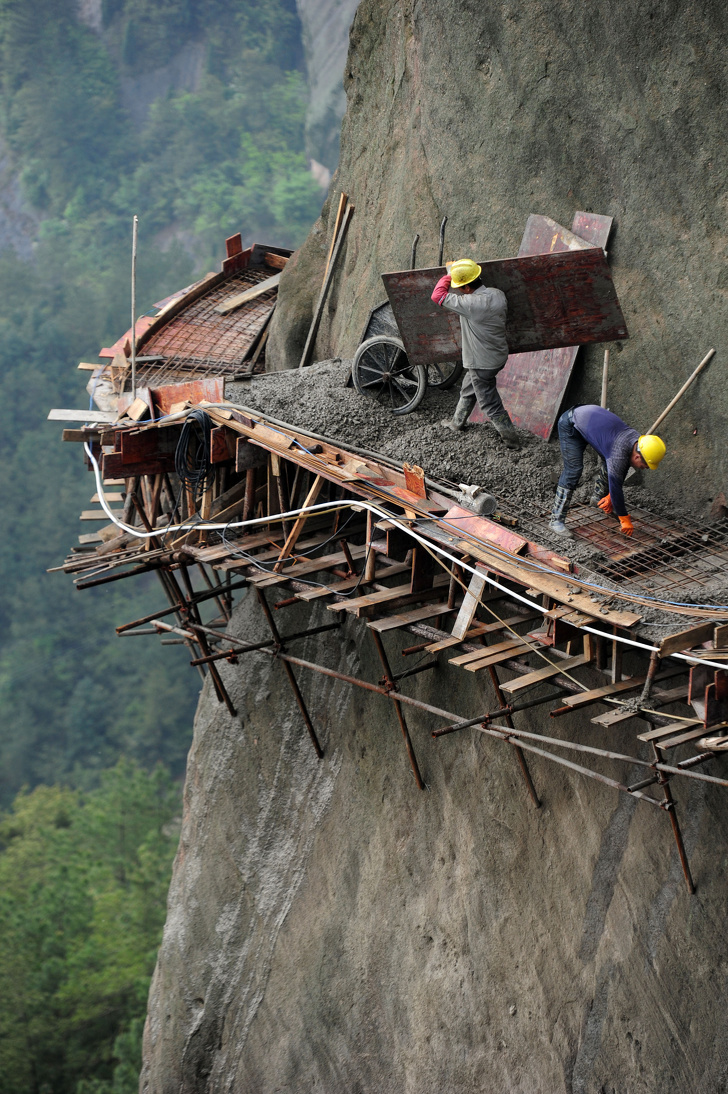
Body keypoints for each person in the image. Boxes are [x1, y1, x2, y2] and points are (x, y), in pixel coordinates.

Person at [431, 258, 520, 448]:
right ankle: (456, 423)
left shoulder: (470, 304)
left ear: (465, 288)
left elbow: (437, 295)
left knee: (490, 403)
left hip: (482, 363)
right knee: (468, 387)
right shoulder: (498, 294)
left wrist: (449, 274)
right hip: (497, 356)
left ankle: (512, 441)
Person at [549, 404, 666, 538]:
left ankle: (598, 498)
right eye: (644, 466)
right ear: (638, 456)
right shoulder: (619, 452)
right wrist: (624, 518)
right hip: (571, 423)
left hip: (587, 419)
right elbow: (616, 483)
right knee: (573, 471)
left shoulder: (636, 440)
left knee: (609, 461)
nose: (644, 468)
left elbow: (621, 467)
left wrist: (610, 497)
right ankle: (555, 520)